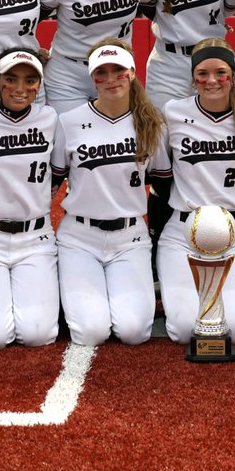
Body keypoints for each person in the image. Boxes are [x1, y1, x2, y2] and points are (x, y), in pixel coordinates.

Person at [52, 40, 166, 346]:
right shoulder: (69, 122)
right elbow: (52, 182)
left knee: (133, 332)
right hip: (79, 238)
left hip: (129, 238)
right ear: (92, 79)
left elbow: (163, 184)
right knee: (91, 332)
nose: (111, 78)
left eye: (118, 70)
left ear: (131, 72)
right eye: (102, 72)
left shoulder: (150, 123)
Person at [149, 38, 235, 345]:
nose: (212, 80)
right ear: (193, 78)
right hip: (183, 230)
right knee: (185, 331)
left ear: (234, 77)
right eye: (202, 73)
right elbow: (160, 172)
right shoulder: (173, 113)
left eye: (221, 72)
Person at [0, 48, 62, 350]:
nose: (20, 89)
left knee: (38, 335)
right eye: (11, 79)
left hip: (35, 238)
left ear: (39, 85)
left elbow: (57, 174)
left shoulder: (50, 118)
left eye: (30, 80)